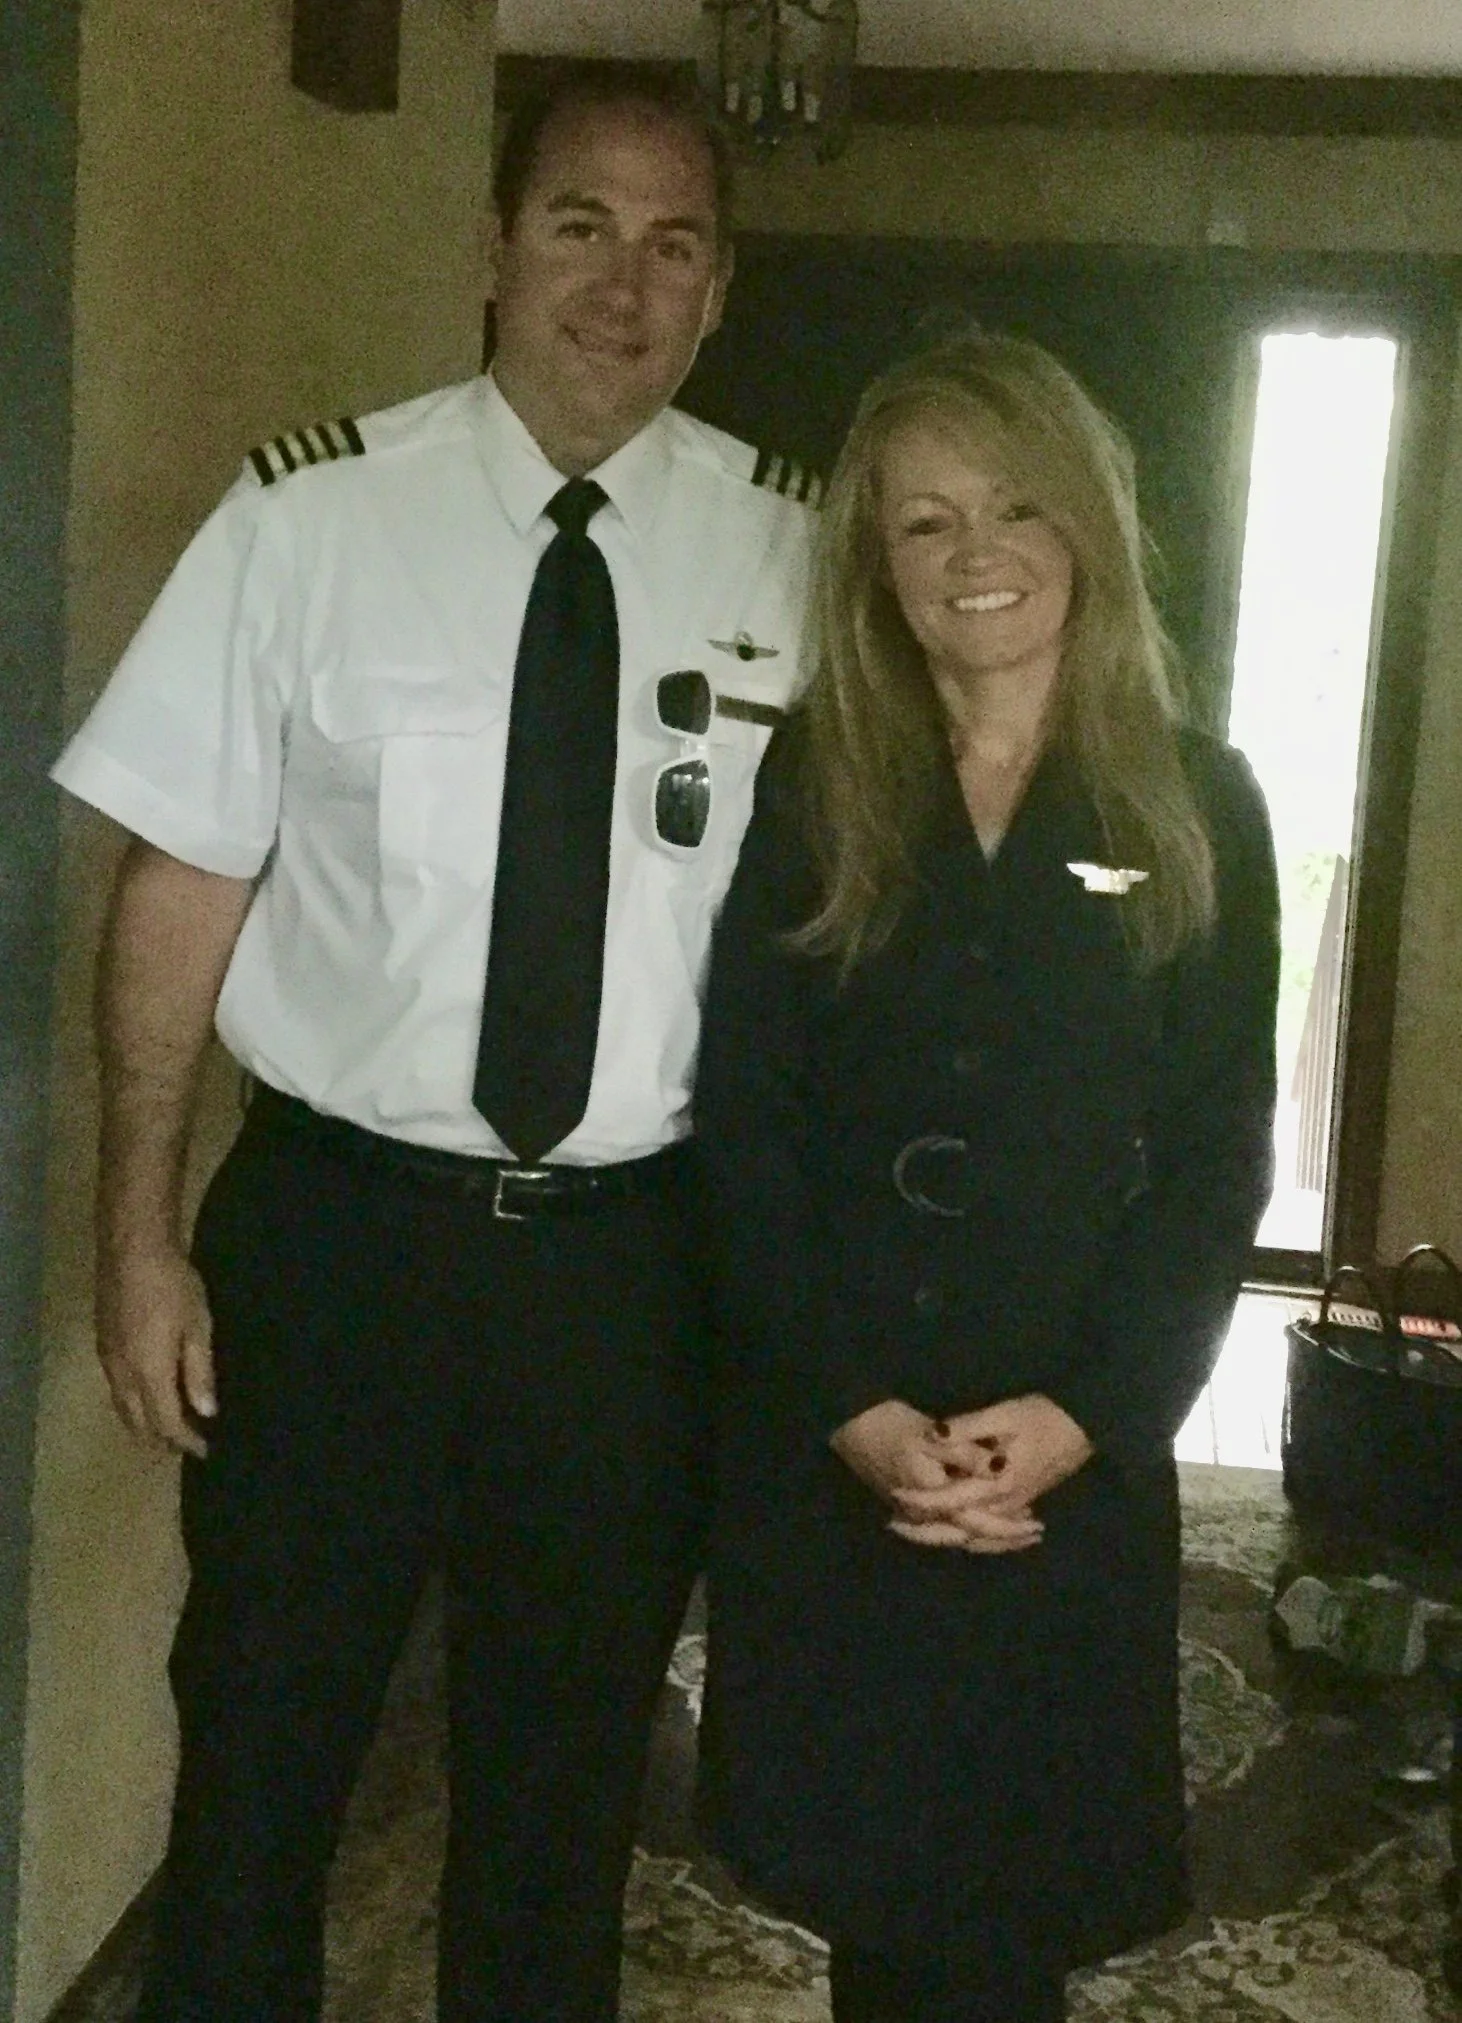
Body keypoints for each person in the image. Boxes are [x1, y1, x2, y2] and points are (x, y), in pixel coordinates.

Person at [51, 69, 814, 2023]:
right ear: (489, 250)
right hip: (337, 1248)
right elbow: (178, 886)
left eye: (673, 246)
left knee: (561, 1814)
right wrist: (136, 1236)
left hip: (630, 1277)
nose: (621, 286)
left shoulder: (791, 558)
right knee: (256, 1770)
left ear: (719, 290)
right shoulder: (305, 518)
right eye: (579, 227)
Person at [692, 332, 1280, 2023]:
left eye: (1014, 506)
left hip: (1062, 1440)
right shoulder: (819, 776)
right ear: (875, 563)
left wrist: (1092, 1414)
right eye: (924, 520)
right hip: (846, 1423)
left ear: (1086, 522)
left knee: (1014, 1894)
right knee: (868, 1879)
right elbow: (746, 1116)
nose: (974, 555)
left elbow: (1215, 1157)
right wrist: (850, 1406)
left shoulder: (1197, 802)